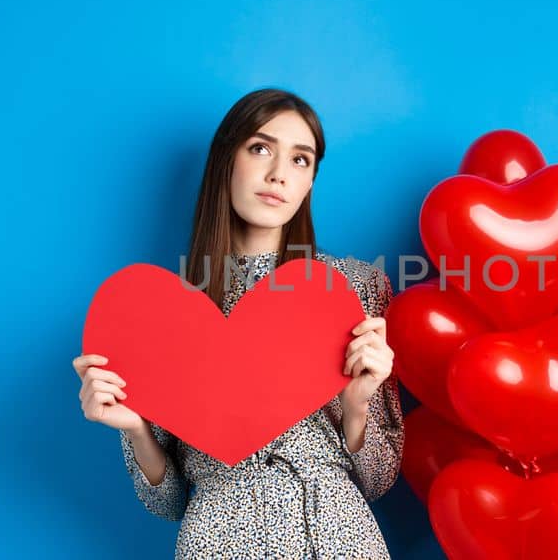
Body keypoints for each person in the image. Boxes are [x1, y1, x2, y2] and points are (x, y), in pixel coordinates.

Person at [71, 88, 403, 559]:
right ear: (227, 159)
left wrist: (356, 407)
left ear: (310, 182)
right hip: (221, 539)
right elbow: (165, 503)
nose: (278, 175)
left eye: (300, 160)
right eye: (260, 148)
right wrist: (136, 429)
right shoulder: (163, 312)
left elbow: (379, 478)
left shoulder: (355, 289)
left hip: (338, 537)